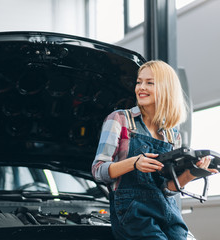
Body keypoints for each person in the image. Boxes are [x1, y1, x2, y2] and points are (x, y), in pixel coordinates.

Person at [91, 60, 218, 240]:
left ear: (167, 88)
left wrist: (192, 174)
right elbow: (98, 171)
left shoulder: (173, 135)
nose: (141, 87)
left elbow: (167, 189)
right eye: (139, 82)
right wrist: (134, 162)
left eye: (149, 82)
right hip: (133, 213)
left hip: (168, 211)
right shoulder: (119, 119)